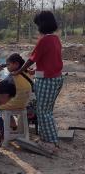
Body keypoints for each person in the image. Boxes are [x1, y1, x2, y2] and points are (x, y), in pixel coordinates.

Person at [12, 11, 63, 154]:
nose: (37, 27)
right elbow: (49, 60)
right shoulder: (55, 39)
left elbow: (31, 59)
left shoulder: (44, 40)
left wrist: (19, 71)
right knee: (47, 112)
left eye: (38, 24)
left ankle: (51, 143)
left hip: (47, 81)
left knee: (43, 113)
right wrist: (37, 70)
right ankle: (48, 139)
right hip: (55, 78)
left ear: (42, 24)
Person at [0, 53, 32, 130]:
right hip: (24, 103)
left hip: (15, 104)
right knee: (7, 99)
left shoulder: (13, 76)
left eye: (8, 65)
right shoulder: (27, 72)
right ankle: (13, 124)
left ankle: (11, 125)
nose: (7, 67)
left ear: (16, 64)